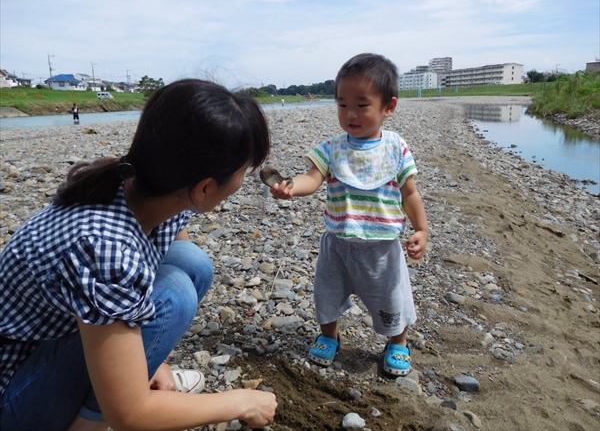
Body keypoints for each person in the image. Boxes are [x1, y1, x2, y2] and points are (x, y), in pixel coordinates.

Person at [0, 79, 277, 430]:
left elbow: (171, 245)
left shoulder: (145, 179)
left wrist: (152, 355)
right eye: (242, 172)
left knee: (190, 263)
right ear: (205, 188)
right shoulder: (106, 248)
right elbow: (130, 415)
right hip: (13, 390)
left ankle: (129, 374)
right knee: (174, 295)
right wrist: (240, 402)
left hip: (55, 342)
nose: (241, 182)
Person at [269, 53, 429, 376]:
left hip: (382, 247)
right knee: (326, 294)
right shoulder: (331, 148)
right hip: (338, 245)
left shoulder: (396, 148)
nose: (350, 114)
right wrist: (290, 187)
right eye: (342, 105)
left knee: (392, 298)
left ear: (389, 107)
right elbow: (311, 180)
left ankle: (398, 342)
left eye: (361, 105)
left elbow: (409, 192)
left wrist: (422, 229)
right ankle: (329, 335)